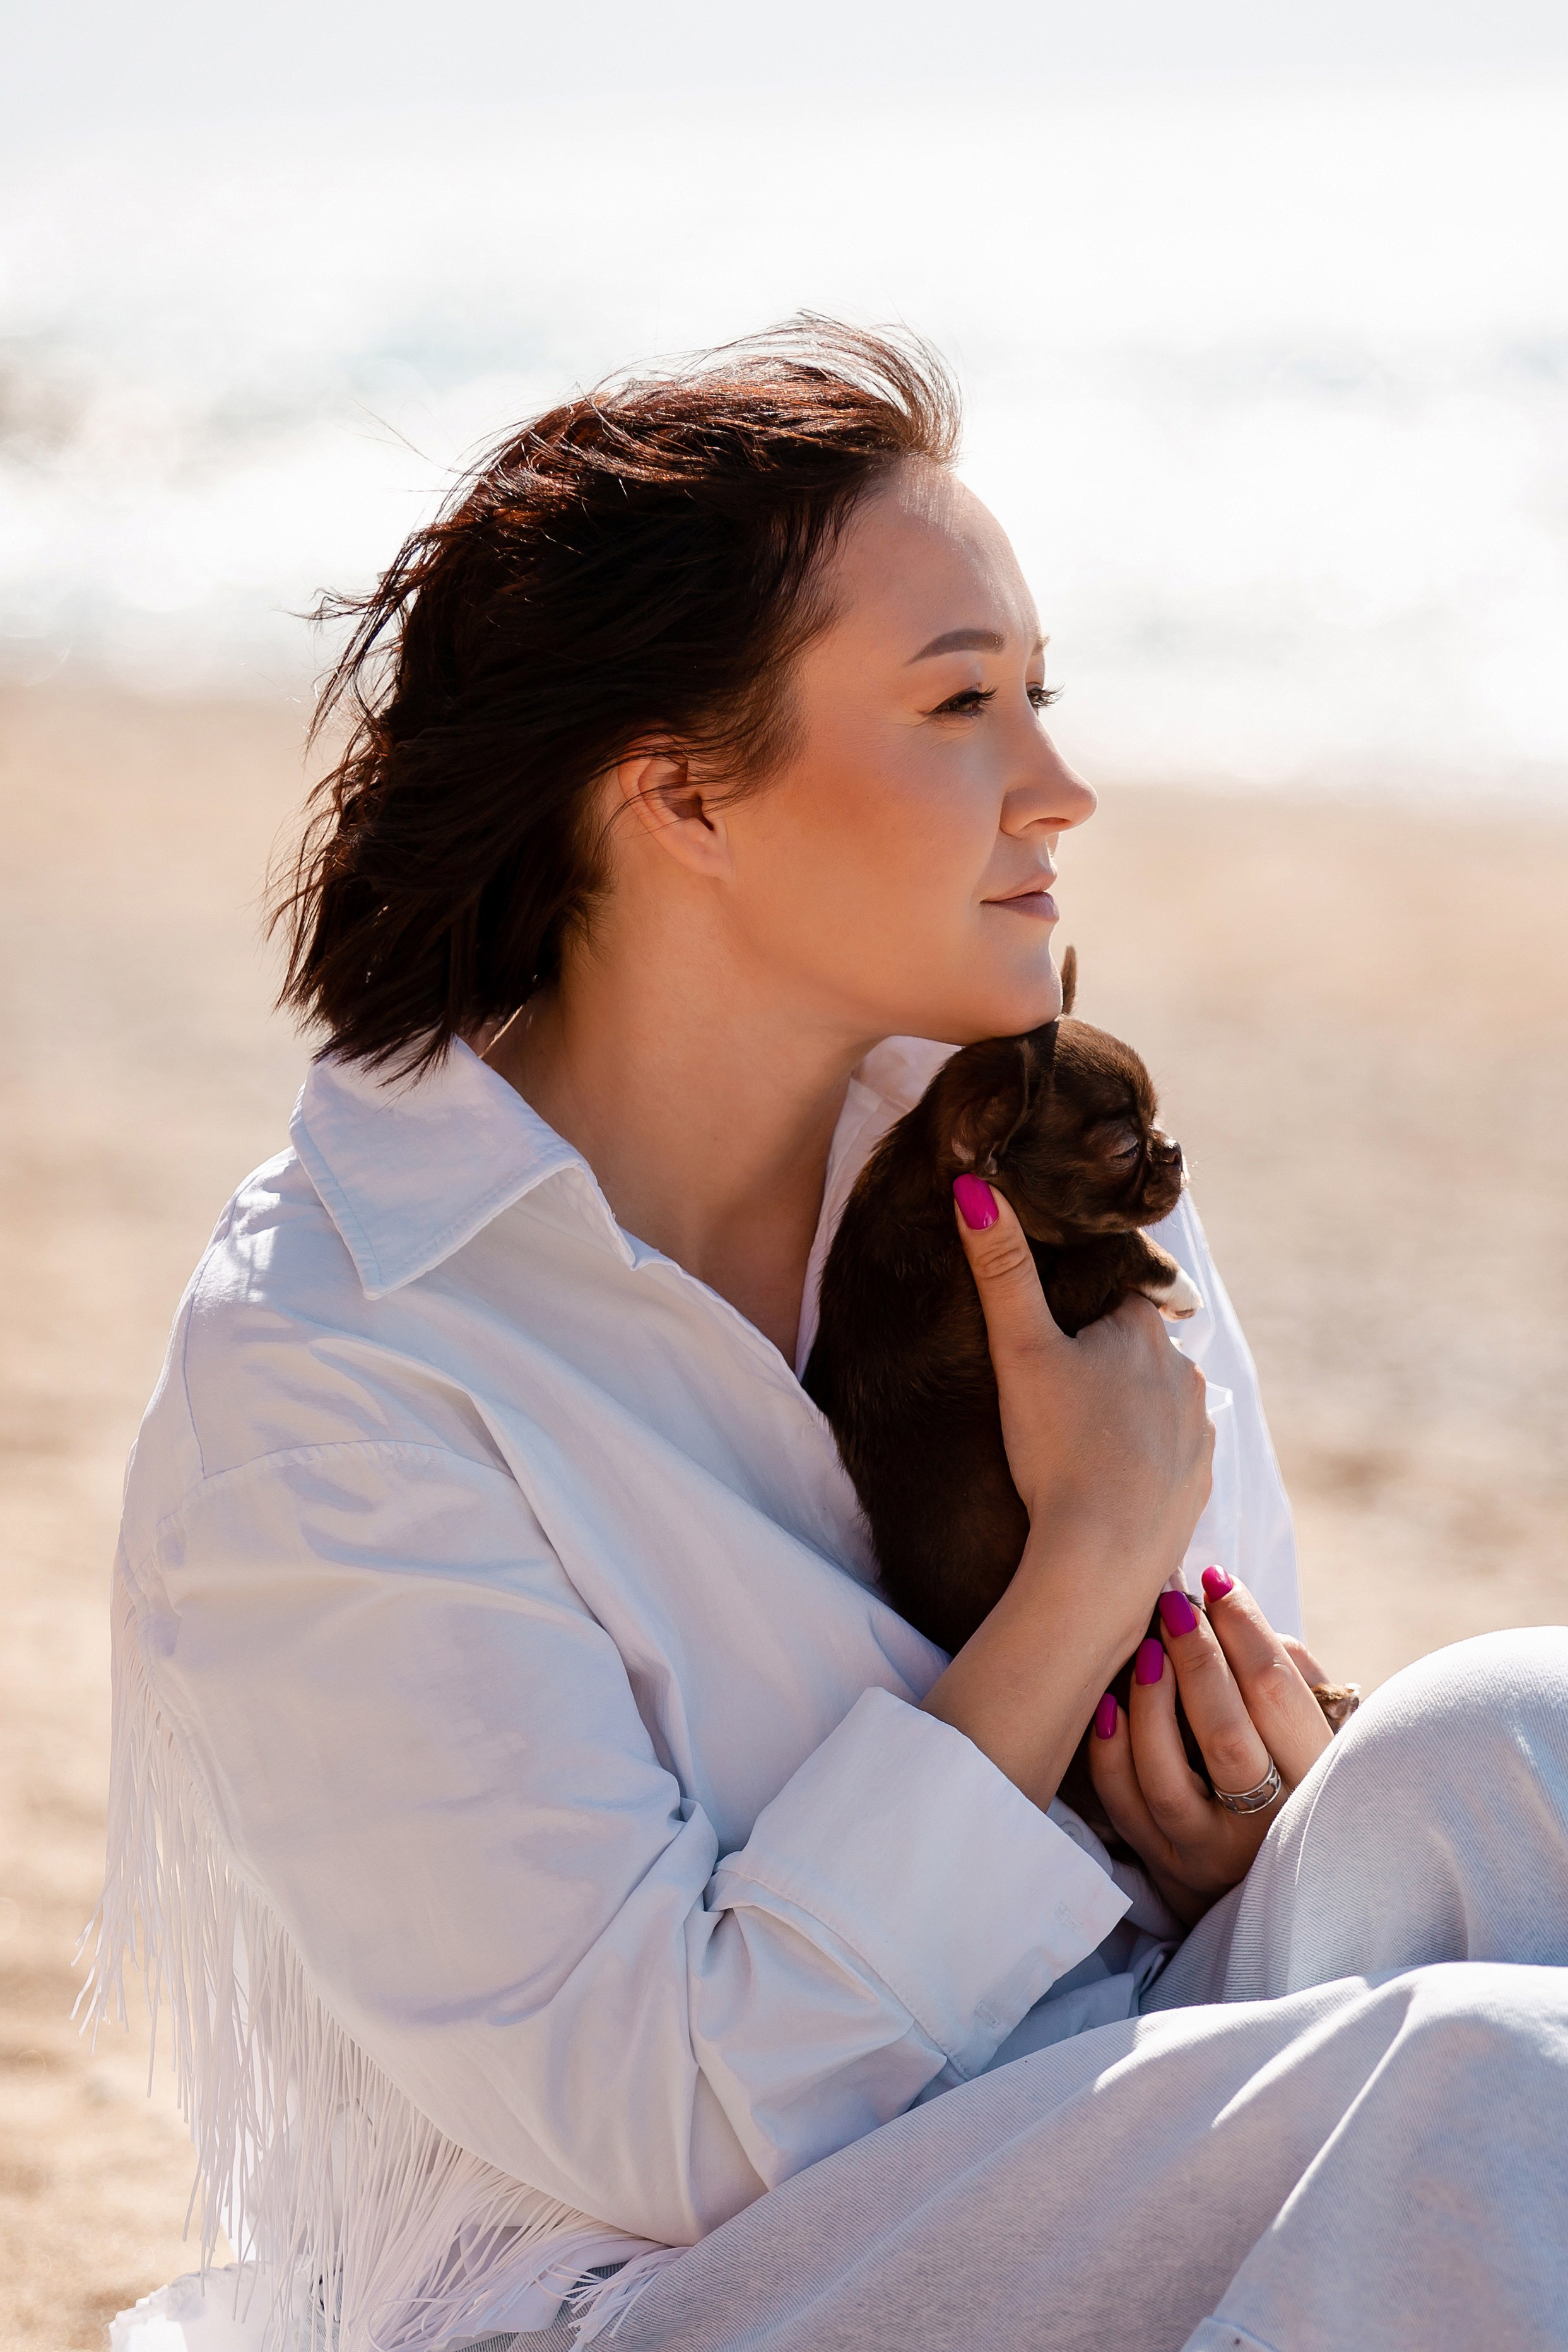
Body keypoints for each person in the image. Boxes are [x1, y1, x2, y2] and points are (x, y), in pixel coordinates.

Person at [95, 324, 1568, 2352]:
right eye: (962, 703)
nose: (1062, 787)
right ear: (680, 792)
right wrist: (1079, 1580)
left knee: (1518, 1738)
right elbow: (672, 2121)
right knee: (1491, 2085)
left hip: (1078, 2103)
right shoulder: (339, 1365)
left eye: (1042, 696)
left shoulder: (1031, 1173)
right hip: (657, 2292)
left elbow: (1198, 1853)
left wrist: (1228, 1824)